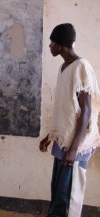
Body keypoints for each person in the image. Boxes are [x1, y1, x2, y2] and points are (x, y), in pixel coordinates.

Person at [39, 23, 100, 217]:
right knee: (58, 194)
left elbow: (87, 111)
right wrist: (50, 136)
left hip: (76, 144)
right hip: (63, 140)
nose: (50, 46)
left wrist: (74, 149)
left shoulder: (81, 67)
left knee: (69, 196)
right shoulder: (64, 67)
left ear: (63, 45)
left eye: (53, 43)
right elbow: (65, 110)